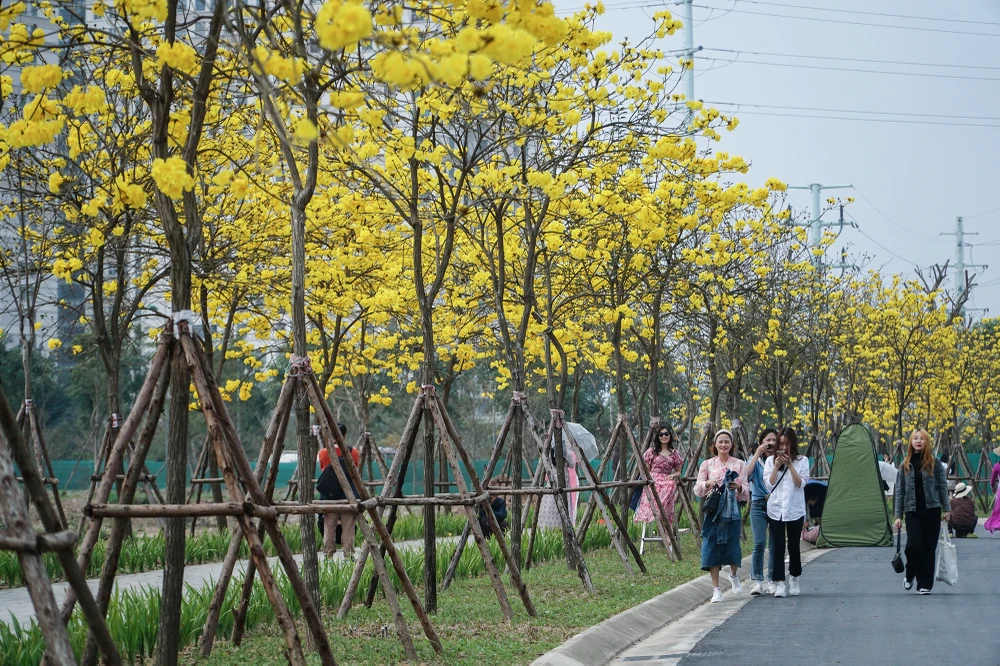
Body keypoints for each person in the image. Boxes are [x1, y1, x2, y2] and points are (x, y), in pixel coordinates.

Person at [893, 429, 951, 594]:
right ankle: (910, 573)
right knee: (914, 545)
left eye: (922, 439)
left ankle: (924, 584)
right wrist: (898, 516)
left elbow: (942, 486)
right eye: (915, 438)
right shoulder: (904, 464)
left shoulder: (935, 463)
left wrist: (947, 508)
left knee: (928, 548)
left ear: (927, 442)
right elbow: (900, 492)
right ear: (911, 441)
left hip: (932, 510)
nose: (918, 441)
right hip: (912, 512)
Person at [694, 429, 748, 603]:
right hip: (713, 513)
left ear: (732, 445)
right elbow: (697, 488)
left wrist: (738, 487)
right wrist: (708, 483)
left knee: (733, 545)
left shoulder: (740, 464)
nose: (723, 444)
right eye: (720, 441)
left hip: (732, 512)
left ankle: (733, 575)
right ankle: (716, 589)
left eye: (727, 441)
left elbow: (746, 490)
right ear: (715, 445)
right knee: (711, 547)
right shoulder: (707, 464)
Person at [763, 427, 810, 598]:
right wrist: (776, 466)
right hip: (775, 509)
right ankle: (780, 582)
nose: (784, 447)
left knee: (793, 546)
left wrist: (790, 465)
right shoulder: (769, 462)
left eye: (787, 444)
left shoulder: (802, 461)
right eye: (781, 444)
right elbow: (769, 484)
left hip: (794, 509)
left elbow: (801, 483)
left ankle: (794, 578)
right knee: (778, 547)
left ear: (793, 445)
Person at [317, 423, 360, 560]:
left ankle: (328, 555)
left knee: (329, 526)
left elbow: (323, 470)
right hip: (348, 494)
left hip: (329, 495)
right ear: (345, 435)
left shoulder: (323, 452)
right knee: (348, 527)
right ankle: (348, 555)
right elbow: (354, 471)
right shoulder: (354, 452)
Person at [743, 428, 776, 596]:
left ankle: (772, 579)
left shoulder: (780, 460)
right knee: (759, 543)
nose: (770, 443)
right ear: (762, 442)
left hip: (776, 504)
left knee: (774, 544)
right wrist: (756, 454)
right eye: (767, 440)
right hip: (758, 504)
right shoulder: (755, 460)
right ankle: (757, 581)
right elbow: (745, 475)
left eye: (773, 440)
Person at [634, 424, 684, 527]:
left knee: (670, 485)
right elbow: (646, 469)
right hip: (653, 479)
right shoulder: (651, 452)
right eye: (661, 434)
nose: (664, 436)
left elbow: (679, 471)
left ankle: (664, 518)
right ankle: (657, 510)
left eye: (666, 434)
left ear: (670, 435)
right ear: (658, 437)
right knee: (660, 487)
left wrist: (673, 475)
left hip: (667, 478)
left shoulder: (674, 453)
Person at [985, 445, 1000, 533]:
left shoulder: (997, 466)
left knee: (998, 509)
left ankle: (996, 523)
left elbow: (993, 479)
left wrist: (993, 487)